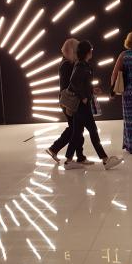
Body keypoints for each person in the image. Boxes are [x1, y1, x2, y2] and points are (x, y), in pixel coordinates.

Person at [67, 40, 122, 170]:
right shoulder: (81, 66)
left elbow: (82, 83)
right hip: (82, 106)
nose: (92, 51)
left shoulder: (84, 65)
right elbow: (73, 83)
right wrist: (83, 97)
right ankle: (105, 159)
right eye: (90, 50)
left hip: (82, 106)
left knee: (77, 133)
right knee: (92, 131)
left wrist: (92, 90)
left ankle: (68, 161)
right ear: (87, 52)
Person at [45, 38, 90, 167]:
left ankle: (74, 155)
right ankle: (59, 150)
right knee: (75, 129)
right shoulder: (68, 65)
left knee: (75, 128)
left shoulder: (66, 63)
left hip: (67, 100)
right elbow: (73, 84)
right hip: (69, 100)